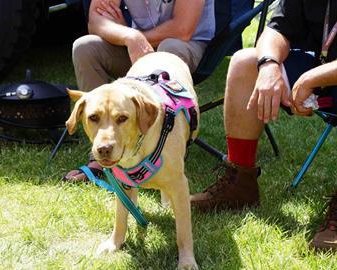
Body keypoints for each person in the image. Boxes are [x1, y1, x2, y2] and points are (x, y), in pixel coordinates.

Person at [190, 0, 337, 250]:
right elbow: (275, 29)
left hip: (323, 73)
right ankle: (241, 182)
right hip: (319, 64)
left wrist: (313, 78)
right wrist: (269, 65)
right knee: (246, 61)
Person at [64, 0, 216, 182]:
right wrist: (130, 37)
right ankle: (101, 155)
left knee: (170, 46)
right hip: (136, 49)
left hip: (182, 46)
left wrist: (139, 37)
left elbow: (182, 29)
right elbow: (96, 21)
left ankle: (165, 151)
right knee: (85, 47)